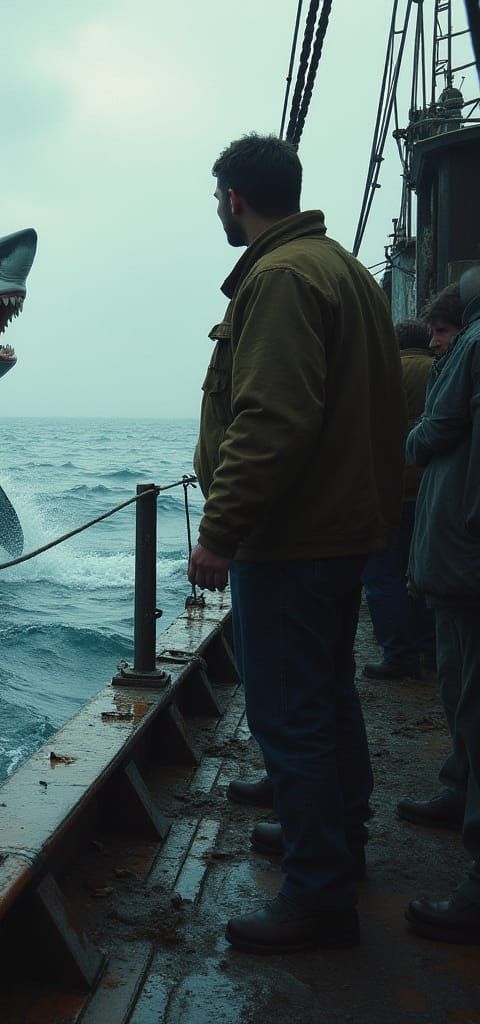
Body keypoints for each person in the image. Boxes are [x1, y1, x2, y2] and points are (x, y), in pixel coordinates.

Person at [189, 133, 405, 954]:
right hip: (344, 529)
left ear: (236, 199)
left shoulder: (280, 277)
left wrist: (220, 532)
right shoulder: (344, 270)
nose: (219, 211)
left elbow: (273, 418)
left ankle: (318, 896)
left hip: (292, 539)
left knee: (289, 717)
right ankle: (339, 839)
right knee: (329, 695)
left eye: (218, 200)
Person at [402, 266, 480, 945]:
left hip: (465, 562)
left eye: (442, 330)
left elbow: (428, 435)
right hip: (456, 564)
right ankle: (459, 787)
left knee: (473, 701)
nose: (436, 343)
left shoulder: (472, 350)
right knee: (459, 689)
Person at [361, 318, 436, 679]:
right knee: (425, 573)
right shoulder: (442, 369)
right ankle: (432, 648)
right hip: (434, 490)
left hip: (391, 490)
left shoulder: (386, 373)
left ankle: (399, 654)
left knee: (383, 575)